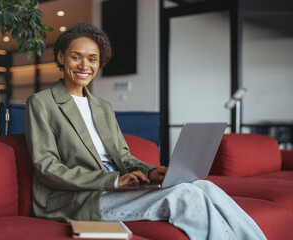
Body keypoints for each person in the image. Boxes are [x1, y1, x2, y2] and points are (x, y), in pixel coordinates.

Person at [25, 23, 266, 240]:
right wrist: (114, 180)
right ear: (61, 57)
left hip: (114, 186)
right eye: (75, 57)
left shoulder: (102, 107)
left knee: (204, 187)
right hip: (78, 199)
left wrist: (151, 172)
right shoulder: (41, 103)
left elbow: (124, 156)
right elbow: (47, 168)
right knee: (185, 196)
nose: (84, 66)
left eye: (92, 59)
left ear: (100, 62)